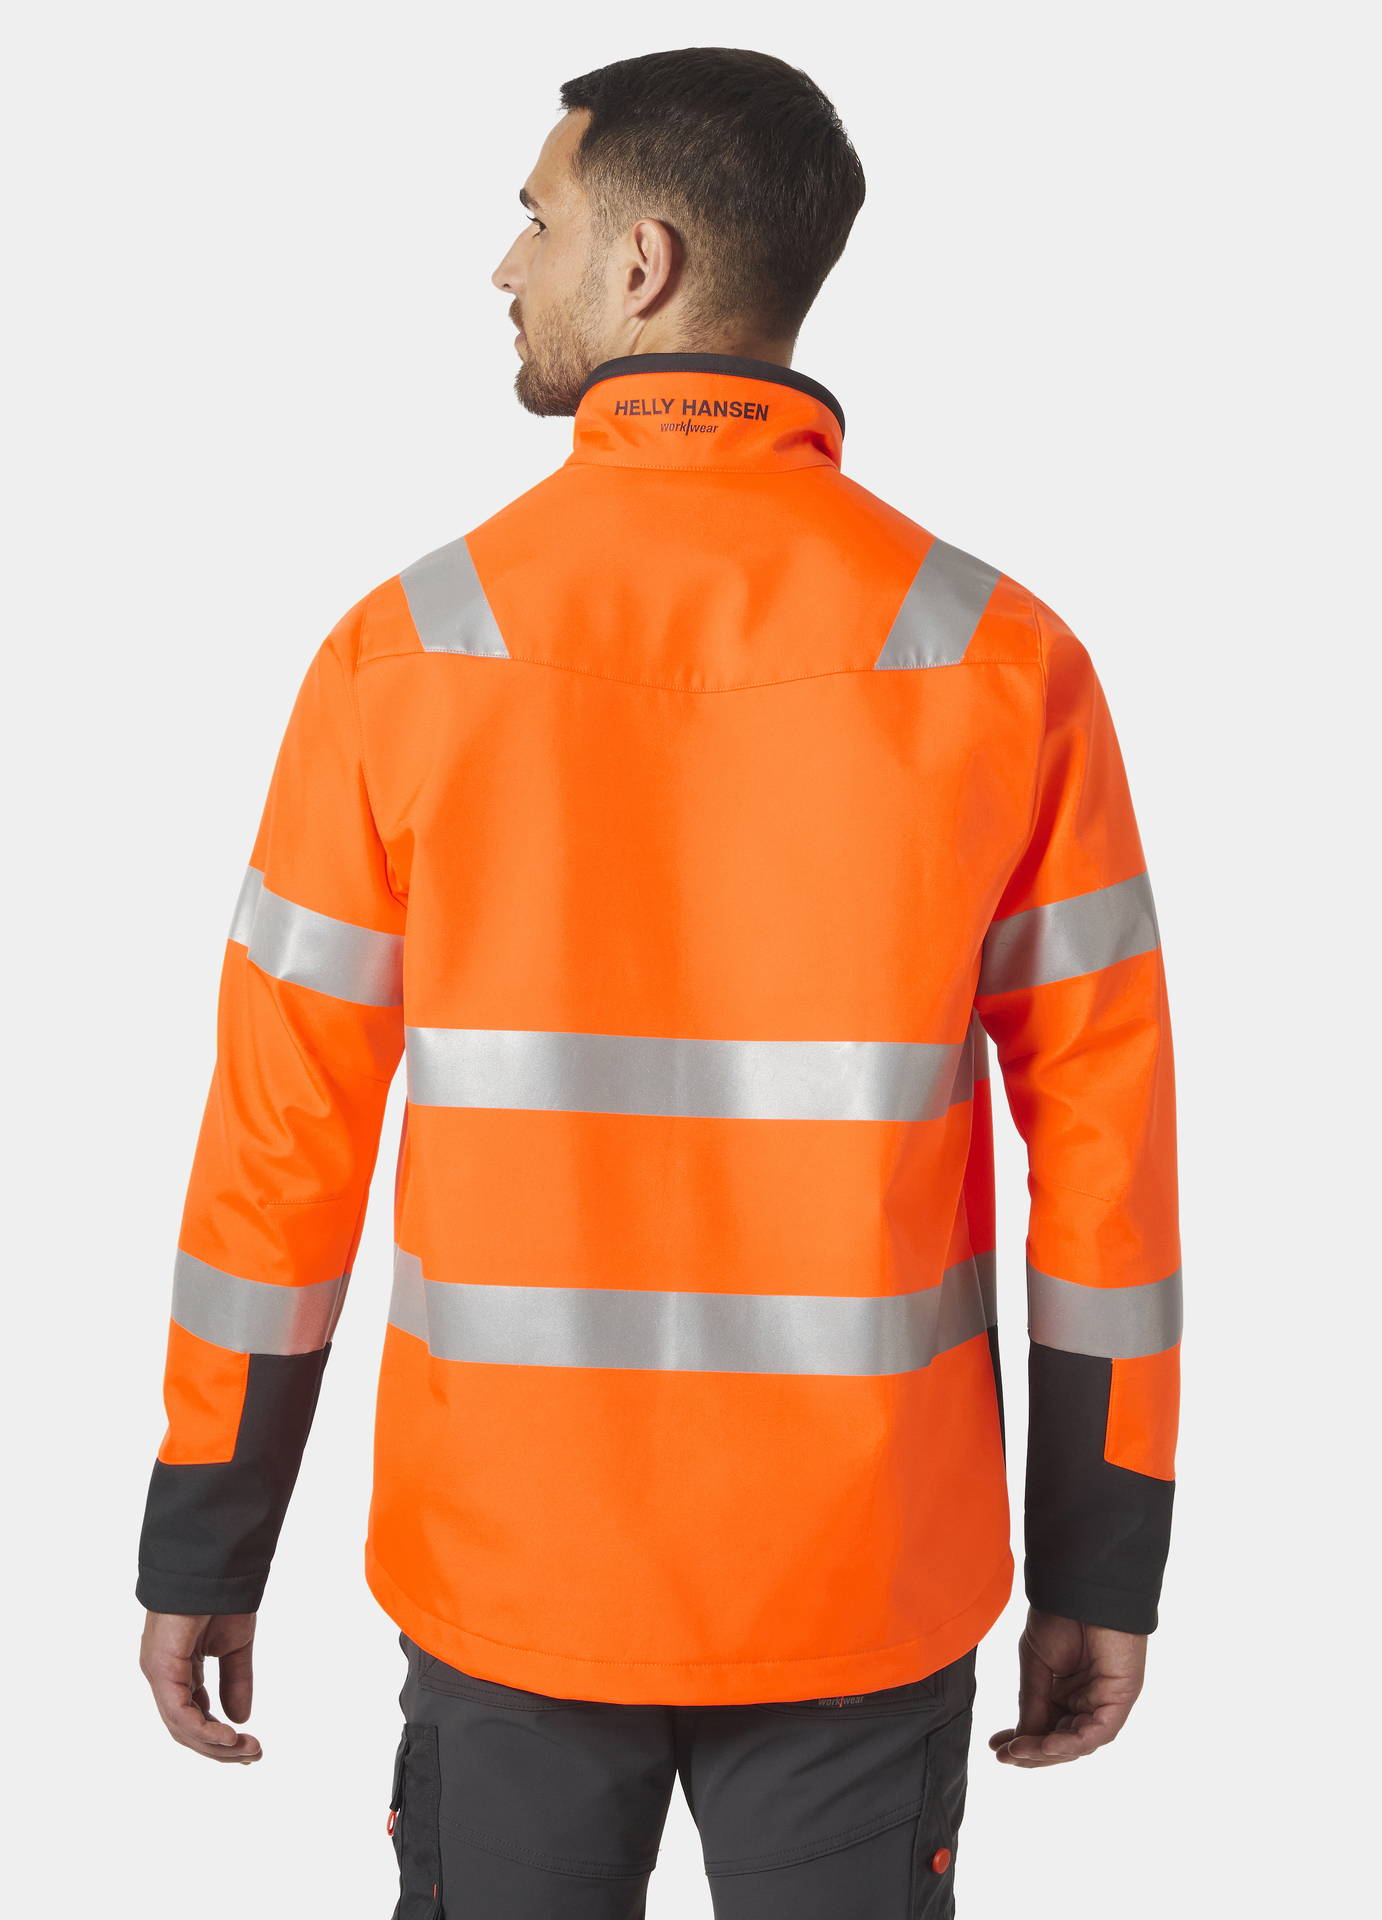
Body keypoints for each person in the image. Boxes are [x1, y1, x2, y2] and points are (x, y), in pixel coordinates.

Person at [137, 46, 1180, 1919]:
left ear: (643, 264)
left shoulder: (405, 651)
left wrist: (212, 1530)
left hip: (511, 1570)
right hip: (861, 1575)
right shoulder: (999, 658)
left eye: (535, 219)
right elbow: (1107, 1163)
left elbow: (281, 1147)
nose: (503, 264)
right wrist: (1102, 1558)